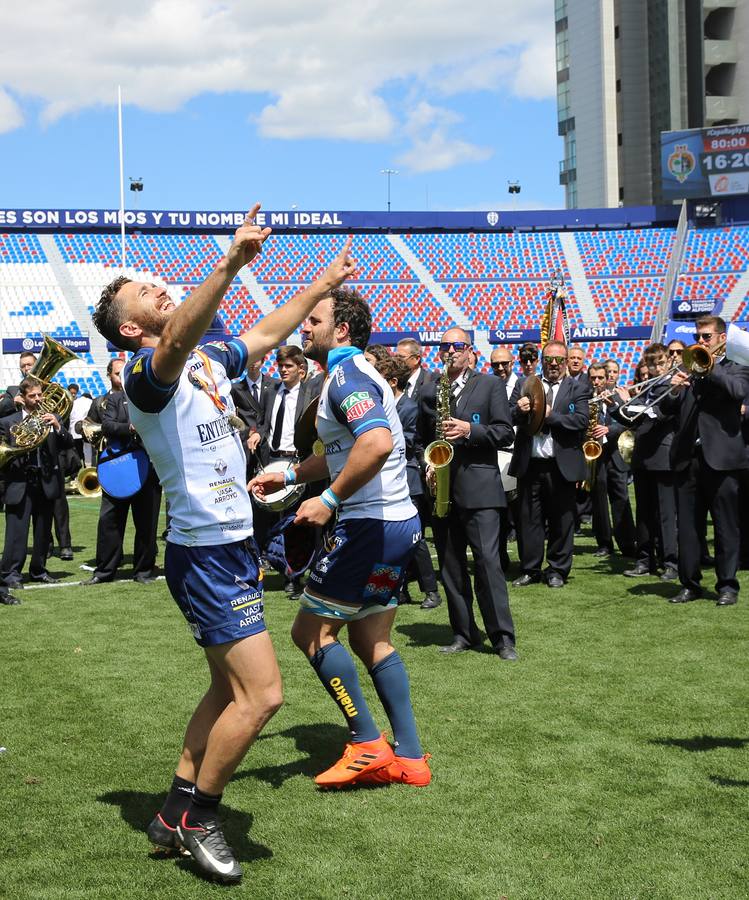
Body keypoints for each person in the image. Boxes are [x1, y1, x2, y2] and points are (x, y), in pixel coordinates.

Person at [91, 204, 357, 883]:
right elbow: (177, 337)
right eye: (141, 294)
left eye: (155, 283)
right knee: (262, 697)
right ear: (130, 327)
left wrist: (321, 282)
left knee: (225, 689)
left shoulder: (208, 357)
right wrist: (231, 264)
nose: (156, 287)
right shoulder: (151, 375)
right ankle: (197, 819)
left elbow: (267, 330)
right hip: (206, 556)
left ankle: (171, 809)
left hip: (231, 545)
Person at [251, 286, 431, 788]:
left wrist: (327, 500)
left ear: (342, 330)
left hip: (367, 525)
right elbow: (340, 451)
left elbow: (375, 443)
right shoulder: (351, 375)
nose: (304, 328)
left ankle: (367, 742)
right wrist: (288, 475)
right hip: (397, 523)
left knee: (309, 634)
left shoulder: (347, 377)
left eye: (313, 321)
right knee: (371, 638)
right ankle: (411, 757)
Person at [417, 328, 517, 658]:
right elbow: (420, 439)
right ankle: (463, 632)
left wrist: (470, 430)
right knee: (450, 567)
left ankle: (502, 638)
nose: (449, 351)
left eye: (456, 346)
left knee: (489, 564)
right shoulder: (431, 388)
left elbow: (504, 432)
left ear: (470, 350)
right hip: (442, 490)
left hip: (481, 489)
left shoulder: (489, 384)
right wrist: (427, 463)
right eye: (444, 346)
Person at [660, 315, 749, 606]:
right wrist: (674, 389)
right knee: (687, 526)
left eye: (706, 337)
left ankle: (727, 585)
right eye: (698, 337)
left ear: (722, 338)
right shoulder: (688, 366)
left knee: (726, 526)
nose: (700, 342)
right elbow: (668, 408)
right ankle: (690, 583)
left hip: (722, 458)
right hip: (688, 456)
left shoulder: (738, 365)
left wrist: (707, 368)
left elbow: (738, 392)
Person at [509, 341, 590, 588]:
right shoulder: (525, 384)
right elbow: (507, 414)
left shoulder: (577, 388)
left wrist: (550, 416)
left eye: (559, 360)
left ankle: (557, 569)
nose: (554, 364)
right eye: (549, 359)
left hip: (560, 465)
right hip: (529, 464)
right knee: (529, 520)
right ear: (541, 360)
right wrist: (520, 410)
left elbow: (581, 420)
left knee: (562, 520)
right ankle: (530, 568)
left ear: (566, 361)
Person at [82, 358, 162, 586]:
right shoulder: (115, 399)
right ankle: (104, 571)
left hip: (149, 468)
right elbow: (107, 425)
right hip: (119, 468)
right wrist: (129, 428)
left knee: (147, 523)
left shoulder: (152, 398)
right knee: (110, 521)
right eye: (118, 374)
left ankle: (144, 571)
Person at [375, 355, 441, 610]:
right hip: (387, 478)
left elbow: (410, 441)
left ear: (392, 382)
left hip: (408, 478)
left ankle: (432, 590)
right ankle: (394, 589)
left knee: (415, 538)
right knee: (387, 537)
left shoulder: (409, 408)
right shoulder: (384, 405)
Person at [610, 344, 679, 581]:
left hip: (662, 455)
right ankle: (644, 559)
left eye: (661, 363)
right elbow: (631, 420)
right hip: (642, 456)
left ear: (669, 362)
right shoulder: (647, 387)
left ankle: (670, 562)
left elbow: (656, 415)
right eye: (652, 364)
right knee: (645, 512)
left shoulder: (673, 385)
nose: (656, 368)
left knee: (666, 513)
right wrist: (615, 404)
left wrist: (628, 402)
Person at [0, 377, 73, 588]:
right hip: (20, 482)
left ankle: (38, 570)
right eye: (33, 396)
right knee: (16, 533)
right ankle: (11, 574)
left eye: (40, 394)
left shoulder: (51, 418)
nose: (38, 399)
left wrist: (58, 426)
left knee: (42, 532)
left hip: (46, 481)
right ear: (22, 398)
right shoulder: (8, 422)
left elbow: (68, 443)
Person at [586, 362, 636, 560]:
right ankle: (604, 543)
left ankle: (627, 543)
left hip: (616, 454)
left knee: (621, 499)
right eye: (593, 378)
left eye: (600, 378)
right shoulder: (586, 399)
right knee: (598, 502)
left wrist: (608, 430)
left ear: (607, 378)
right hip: (595, 456)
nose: (597, 381)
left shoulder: (618, 396)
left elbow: (628, 422)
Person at [395, 338, 435, 402]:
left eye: (401, 357)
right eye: (396, 357)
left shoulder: (432, 381)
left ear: (416, 359)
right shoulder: (395, 382)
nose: (397, 361)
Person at [0, 351, 37, 418]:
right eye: (23, 366)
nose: (26, 368)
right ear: (20, 370)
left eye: (29, 365)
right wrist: (13, 403)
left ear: (37, 365)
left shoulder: (53, 389)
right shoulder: (12, 391)